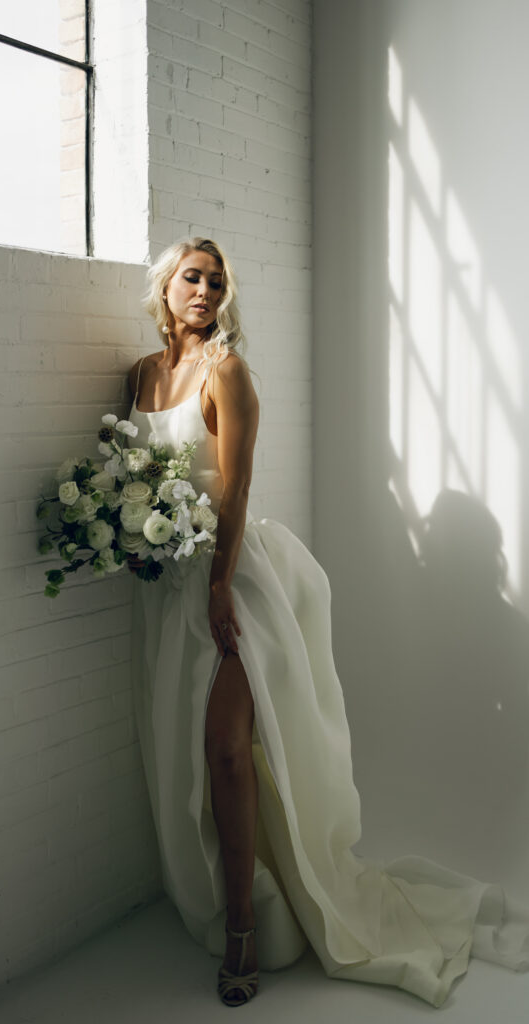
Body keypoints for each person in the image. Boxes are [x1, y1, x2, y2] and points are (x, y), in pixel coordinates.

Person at [124, 237, 529, 1008]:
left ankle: (242, 929)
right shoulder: (142, 376)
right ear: (165, 288)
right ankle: (230, 891)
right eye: (191, 278)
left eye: (216, 280)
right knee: (191, 752)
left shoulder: (229, 373)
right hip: (163, 585)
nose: (205, 290)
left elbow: (235, 492)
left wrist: (216, 589)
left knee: (228, 753)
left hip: (229, 578)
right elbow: (132, 473)